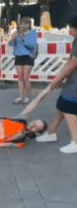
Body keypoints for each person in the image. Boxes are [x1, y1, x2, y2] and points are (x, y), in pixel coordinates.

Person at [22, 15, 77, 153]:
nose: (70, 31)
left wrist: (58, 80)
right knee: (61, 106)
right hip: (72, 80)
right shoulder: (76, 40)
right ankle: (51, 133)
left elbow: (72, 65)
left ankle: (76, 142)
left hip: (75, 83)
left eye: (72, 28)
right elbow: (70, 62)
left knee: (67, 107)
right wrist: (60, 77)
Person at [8, 17, 38, 104]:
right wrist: (13, 38)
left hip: (28, 56)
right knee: (20, 78)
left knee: (25, 78)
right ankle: (21, 97)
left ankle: (29, 97)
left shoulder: (33, 33)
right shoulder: (17, 33)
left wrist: (22, 38)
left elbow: (31, 45)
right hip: (18, 56)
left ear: (29, 25)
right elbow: (10, 44)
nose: (22, 25)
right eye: (21, 23)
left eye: (25, 23)